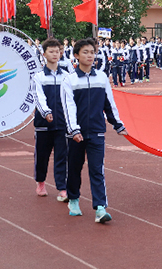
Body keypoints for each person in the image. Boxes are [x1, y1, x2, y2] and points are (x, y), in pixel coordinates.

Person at [61, 38, 128, 223]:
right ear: (76, 55)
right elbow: (68, 107)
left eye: (92, 52)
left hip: (97, 131)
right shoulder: (69, 80)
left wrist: (117, 124)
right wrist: (74, 130)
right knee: (74, 168)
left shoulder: (101, 77)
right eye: (85, 52)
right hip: (76, 134)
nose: (90, 55)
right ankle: (73, 199)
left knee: (97, 170)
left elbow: (109, 103)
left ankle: (100, 207)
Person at [32, 38, 70, 201]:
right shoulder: (38, 77)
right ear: (44, 54)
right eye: (51, 51)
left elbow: (71, 98)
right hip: (43, 124)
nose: (55, 54)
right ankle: (40, 182)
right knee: (42, 156)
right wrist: (46, 112)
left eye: (57, 51)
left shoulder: (67, 76)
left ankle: (62, 187)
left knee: (62, 156)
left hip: (62, 123)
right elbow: (38, 97)